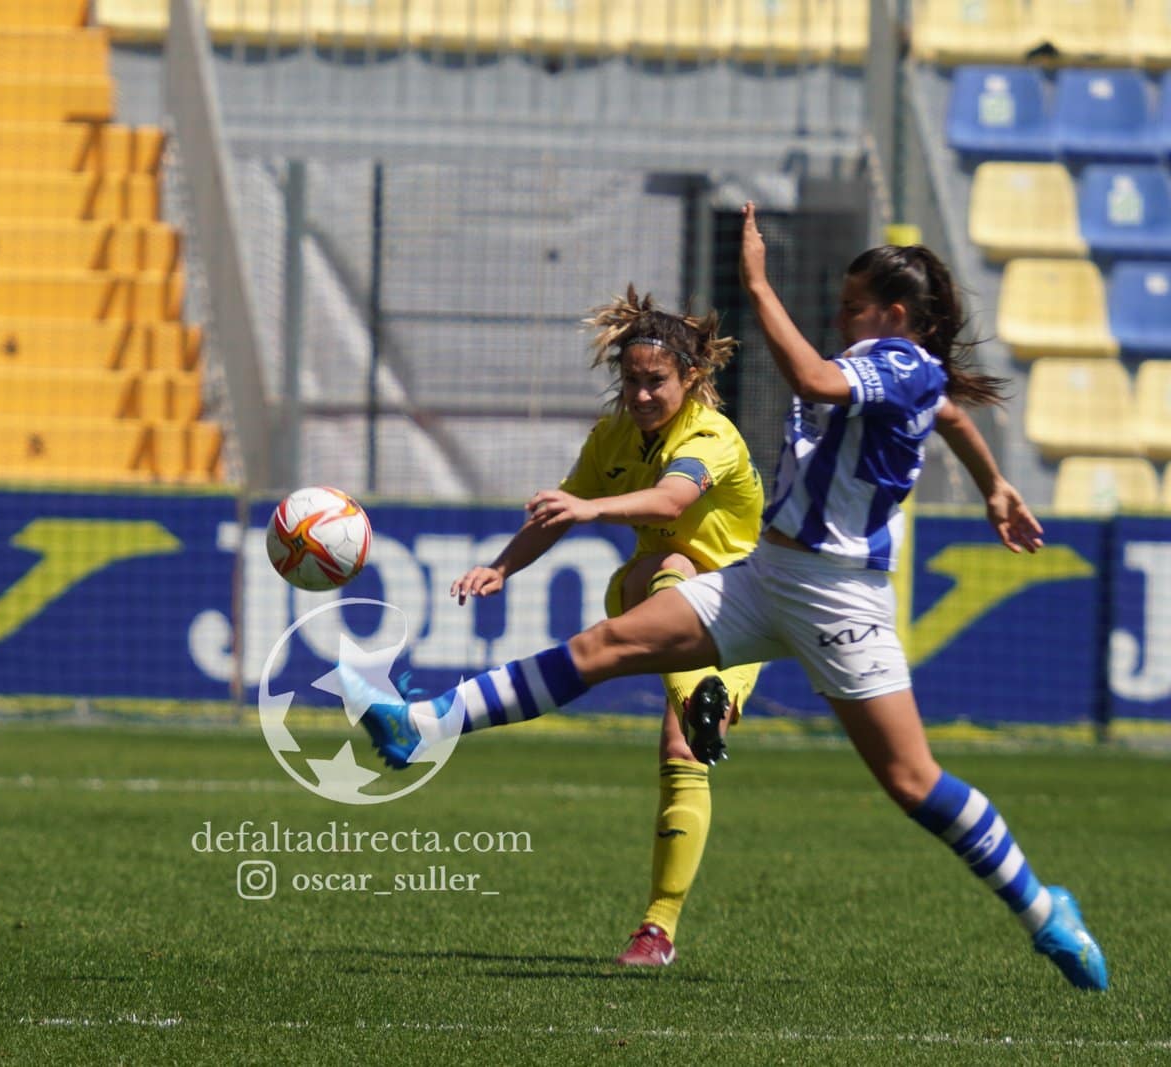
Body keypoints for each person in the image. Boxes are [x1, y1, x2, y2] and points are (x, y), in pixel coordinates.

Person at [353, 204, 1108, 991]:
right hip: (765, 575)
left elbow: (832, 381)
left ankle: (1042, 909)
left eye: (853, 303)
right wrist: (994, 487)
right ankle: (420, 726)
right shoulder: (889, 368)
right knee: (601, 648)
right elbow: (949, 412)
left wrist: (754, 280)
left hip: (840, 599)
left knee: (912, 782)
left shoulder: (898, 361)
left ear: (895, 314)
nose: (840, 314)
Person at [448, 287, 765, 969]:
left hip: (744, 611)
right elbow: (558, 512)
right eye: (633, 381)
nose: (644, 395)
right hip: (654, 592)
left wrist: (591, 511)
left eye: (657, 382)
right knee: (668, 562)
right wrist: (503, 566)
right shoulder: (613, 438)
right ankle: (695, 698)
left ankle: (657, 929)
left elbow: (672, 497)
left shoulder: (712, 436)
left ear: (691, 378)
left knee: (682, 755)